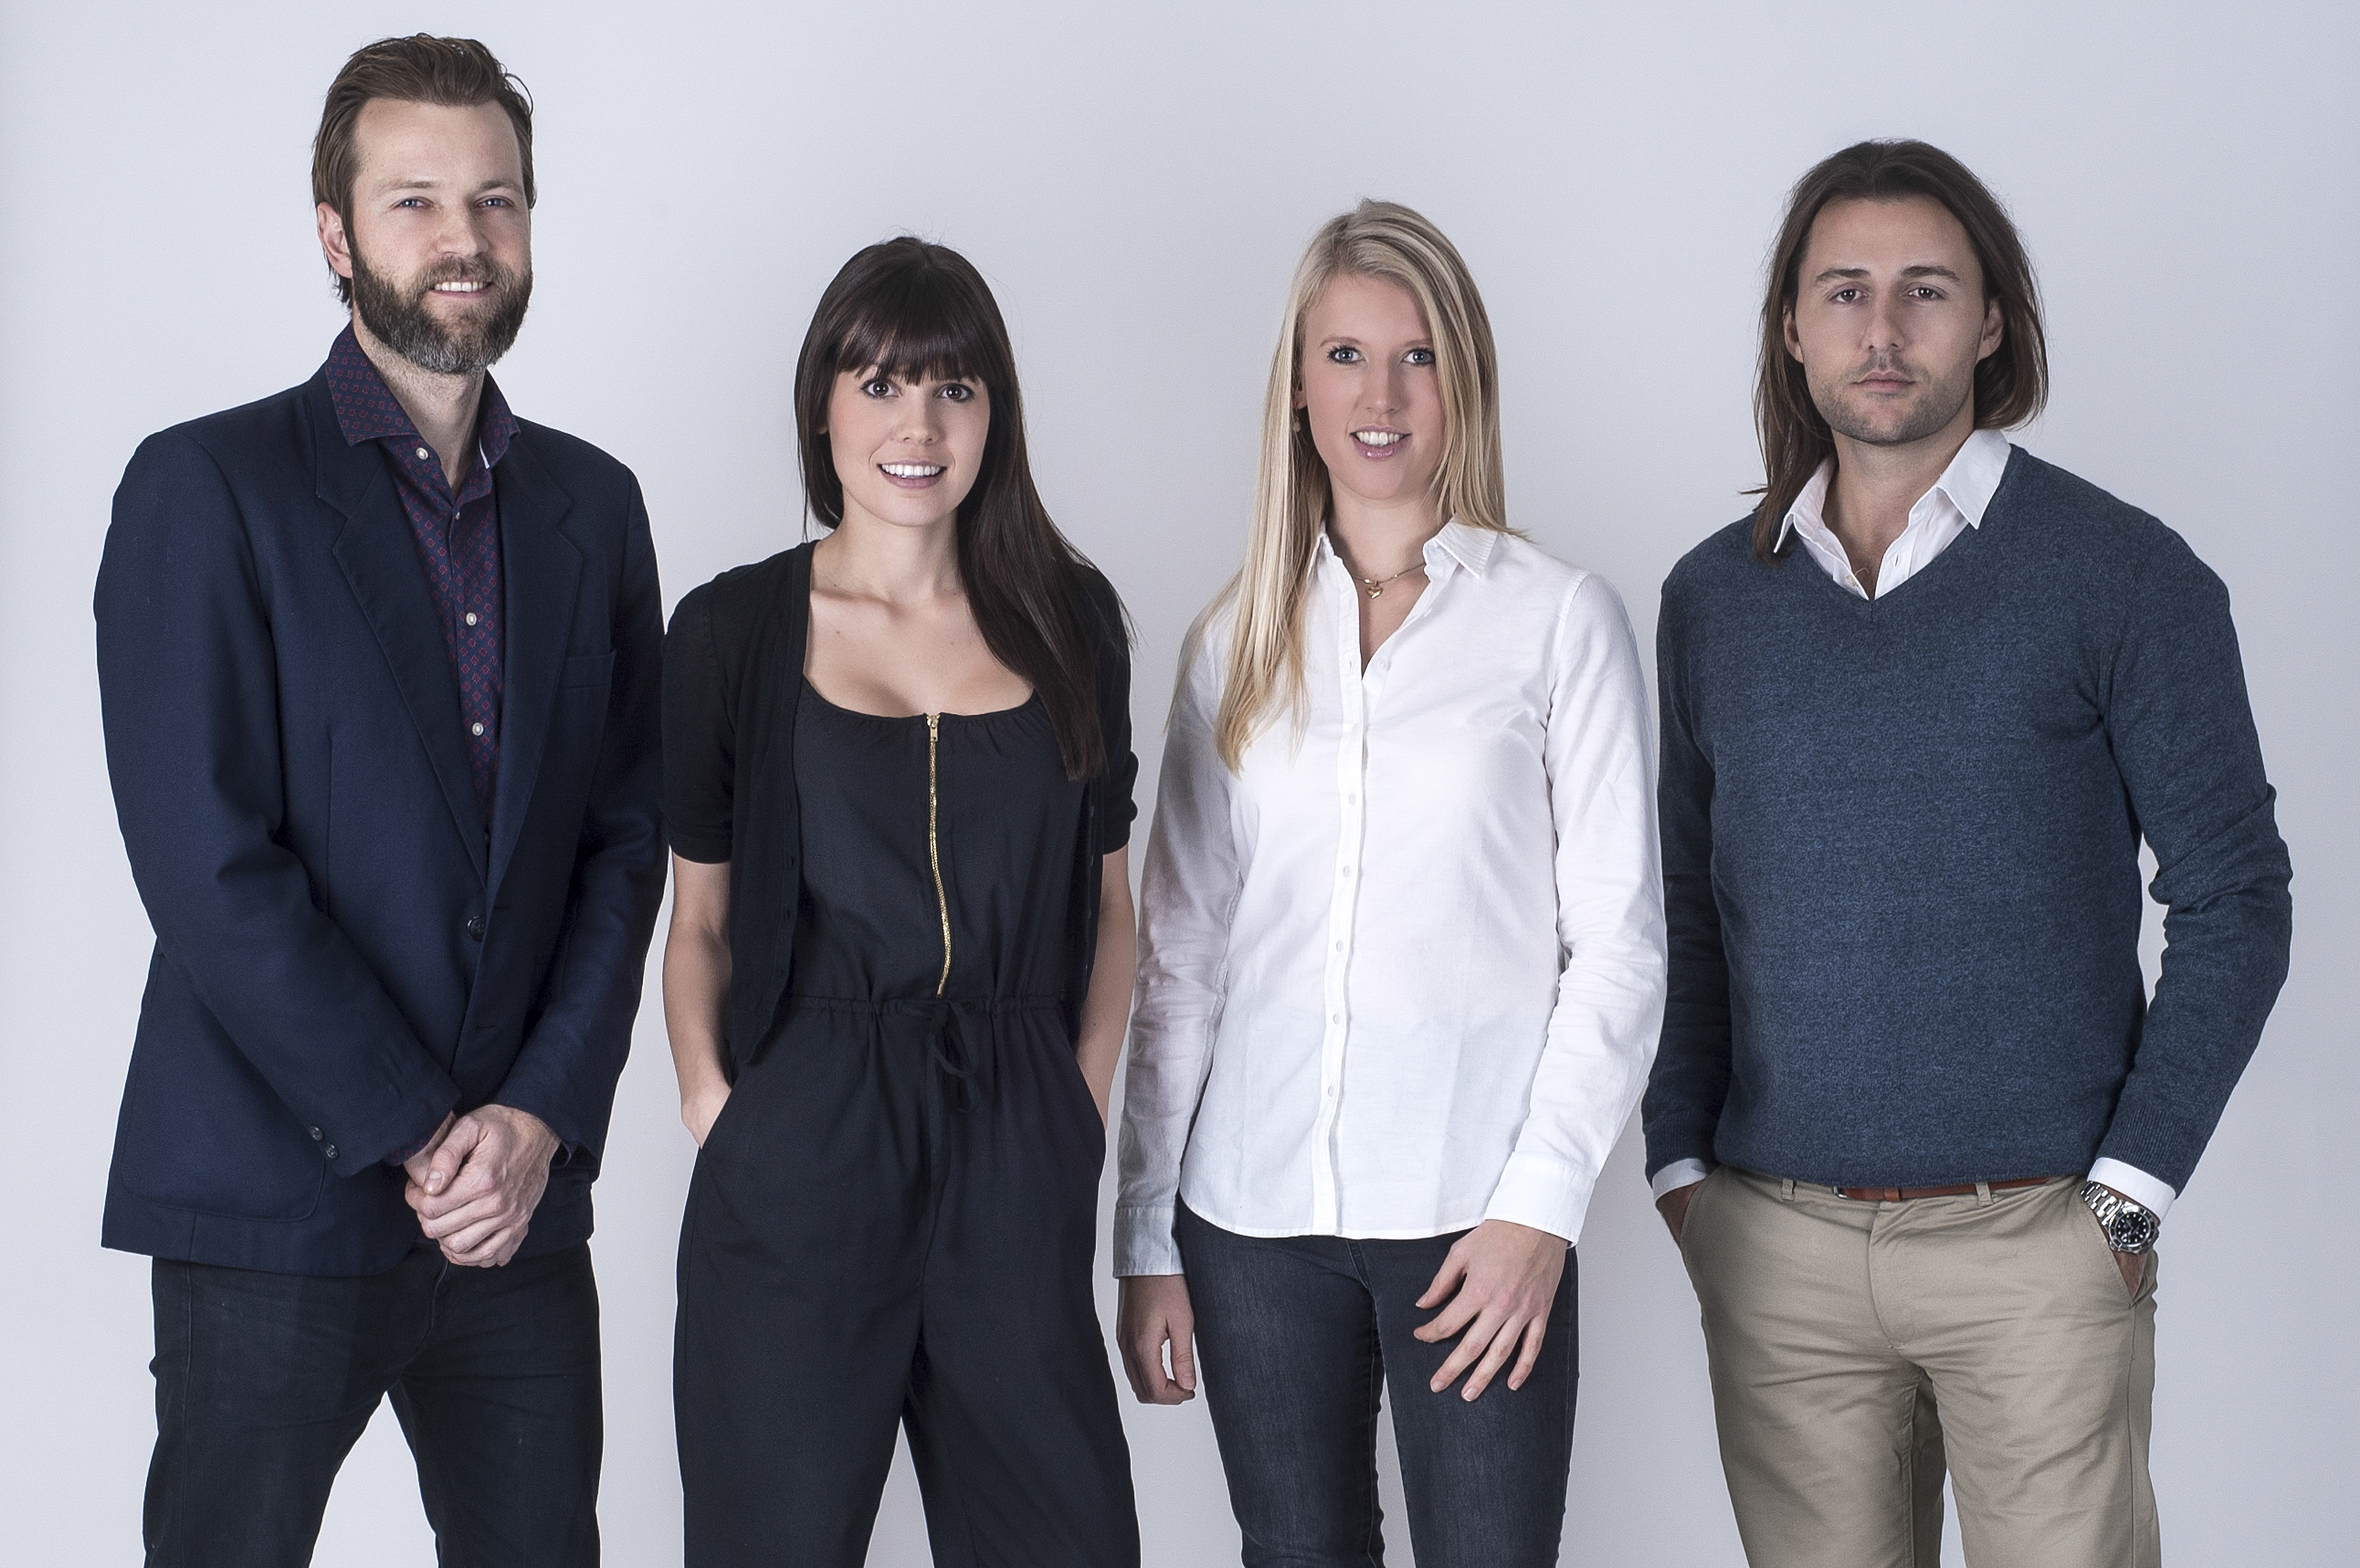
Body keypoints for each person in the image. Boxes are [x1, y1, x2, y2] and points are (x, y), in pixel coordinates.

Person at [1643, 139, 2293, 1568]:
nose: (1883, 328)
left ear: (1992, 320)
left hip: (2039, 1246)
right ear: (1793, 328)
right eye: (1845, 291)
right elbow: (1687, 904)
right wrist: (1683, 1166)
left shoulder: (2125, 576)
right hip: (1781, 1252)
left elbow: (2237, 896)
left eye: (1926, 289)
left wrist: (2128, 1194)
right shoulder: (1713, 599)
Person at [92, 34, 666, 1568]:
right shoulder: (206, 489)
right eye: (415, 200)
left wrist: (537, 1117)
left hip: (516, 1217)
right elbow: (208, 865)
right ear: (336, 236)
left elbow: (621, 847)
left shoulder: (595, 508)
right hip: (273, 1197)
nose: (463, 238)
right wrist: (424, 1130)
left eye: (496, 200)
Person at [1113, 200, 1665, 1567]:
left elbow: (1619, 947)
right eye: (1345, 355)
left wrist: (1540, 1209)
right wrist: (1146, 1235)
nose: (1381, 395)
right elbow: (1180, 955)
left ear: (1463, 378)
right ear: (1297, 387)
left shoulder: (1559, 620)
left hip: (1474, 1220)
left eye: (1417, 356)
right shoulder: (1232, 640)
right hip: (1253, 1219)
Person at [661, 237, 1142, 1567]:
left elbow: (1112, 903)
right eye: (878, 384)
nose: (916, 426)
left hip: (1016, 1131)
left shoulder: (1072, 618)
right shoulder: (730, 632)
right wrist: (717, 1109)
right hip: (804, 1138)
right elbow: (699, 920)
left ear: (996, 413)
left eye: (953, 387)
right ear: (823, 405)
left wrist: (1077, 1101)